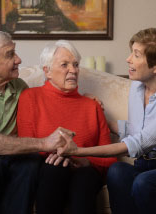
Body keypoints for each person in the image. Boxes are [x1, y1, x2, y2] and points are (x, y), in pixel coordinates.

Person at [0, 31, 75, 214]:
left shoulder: (18, 86)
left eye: (15, 52)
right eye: (10, 54)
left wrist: (82, 99)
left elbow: (47, 101)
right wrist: (43, 143)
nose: (19, 59)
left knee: (30, 160)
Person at [58, 28, 156, 214]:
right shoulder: (137, 86)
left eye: (136, 55)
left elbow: (137, 142)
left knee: (145, 183)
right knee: (117, 170)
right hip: (144, 163)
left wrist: (77, 151)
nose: (128, 59)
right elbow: (135, 130)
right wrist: (94, 109)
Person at [17, 40, 117, 214]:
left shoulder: (91, 105)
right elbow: (27, 147)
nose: (73, 70)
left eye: (76, 64)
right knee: (55, 169)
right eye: (65, 65)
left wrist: (84, 159)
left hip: (86, 171)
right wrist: (64, 157)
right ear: (47, 71)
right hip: (48, 169)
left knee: (85, 178)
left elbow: (109, 160)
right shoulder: (30, 98)